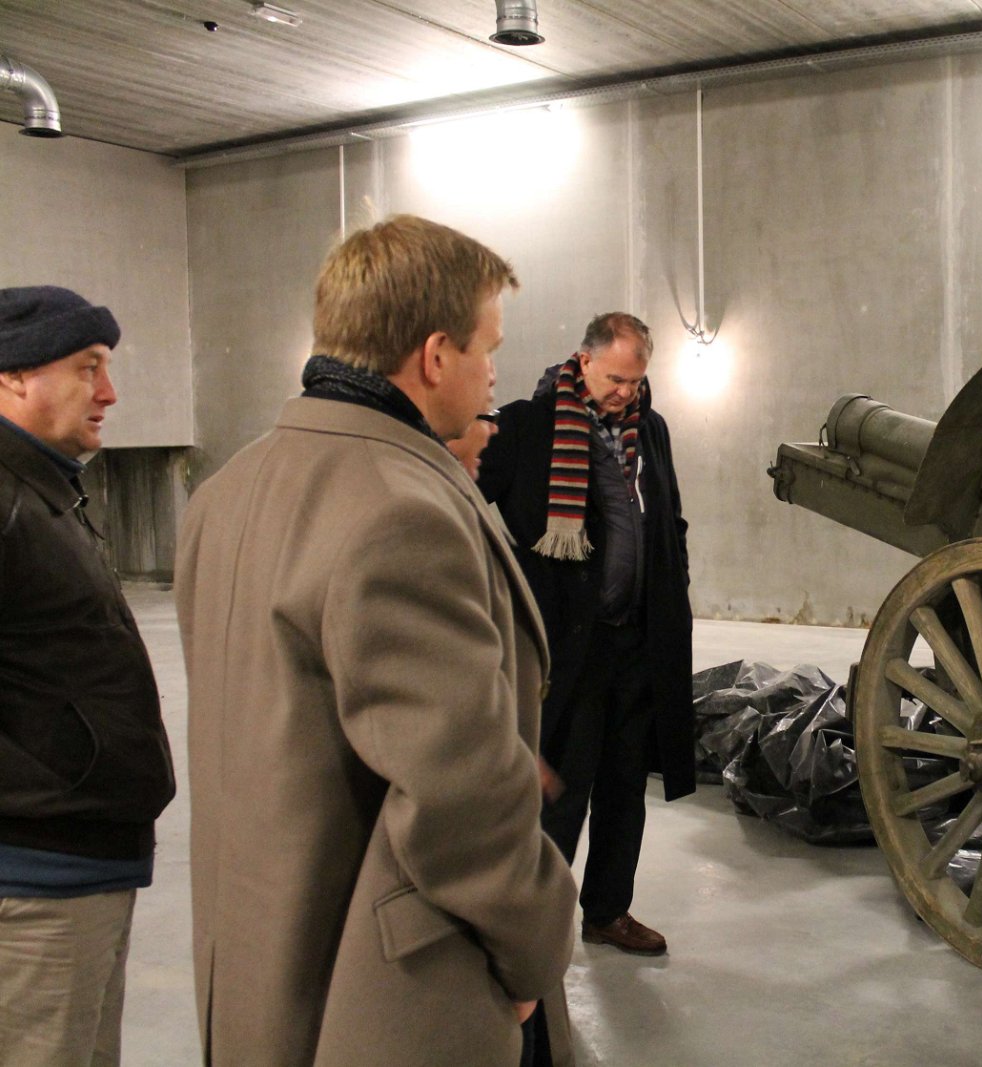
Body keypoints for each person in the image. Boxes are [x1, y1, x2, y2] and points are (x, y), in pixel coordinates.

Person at [175, 215, 577, 1066]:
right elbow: (460, 796)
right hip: (380, 988)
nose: (495, 371)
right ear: (435, 357)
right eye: (487, 348)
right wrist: (536, 946)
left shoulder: (224, 490)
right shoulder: (402, 509)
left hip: (255, 945)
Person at [478, 311, 693, 957]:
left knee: (627, 787)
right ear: (585, 359)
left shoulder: (649, 430)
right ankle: (529, 920)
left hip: (636, 639)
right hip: (568, 644)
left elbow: (667, 517)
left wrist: (672, 577)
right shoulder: (527, 425)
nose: (627, 391)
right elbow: (459, 501)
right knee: (562, 790)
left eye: (637, 380)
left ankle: (607, 910)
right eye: (617, 378)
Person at [0, 286, 176, 1067]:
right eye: (88, 367)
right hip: (34, 879)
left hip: (81, 863)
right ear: (12, 376)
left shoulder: (45, 489)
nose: (109, 392)